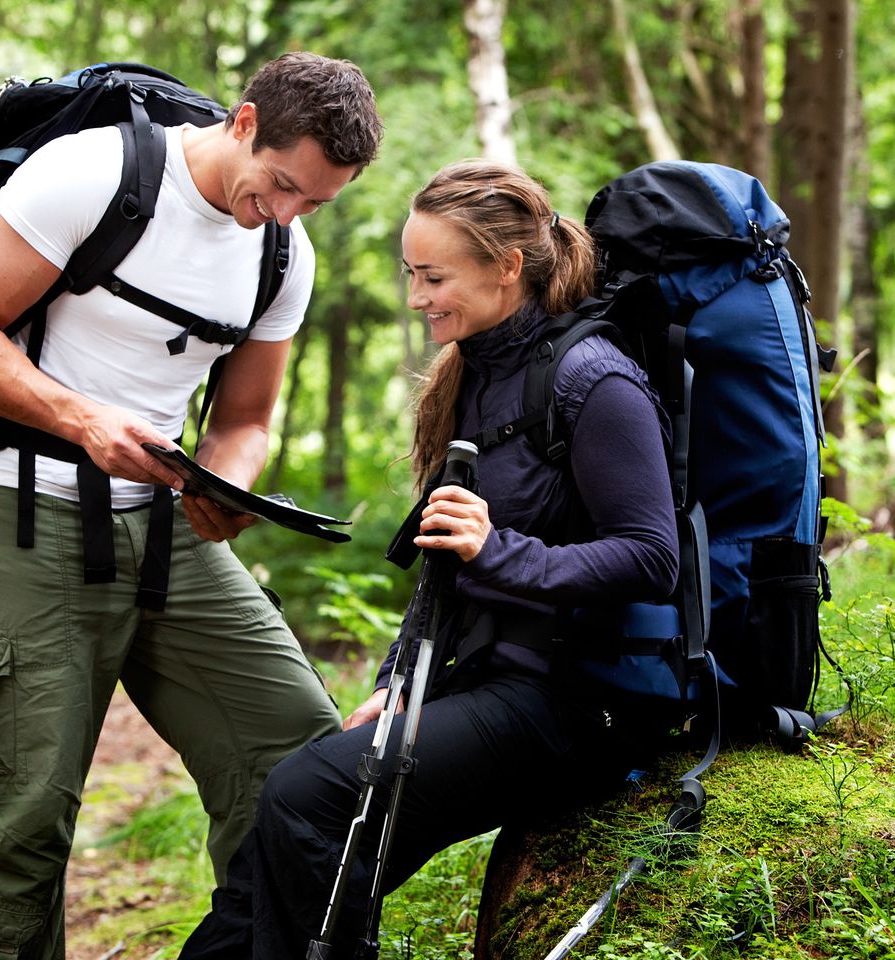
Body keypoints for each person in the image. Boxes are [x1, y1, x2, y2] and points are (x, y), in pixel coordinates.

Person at [0, 52, 383, 959]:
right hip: (16, 506)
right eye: (283, 185)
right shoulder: (92, 173)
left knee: (298, 757)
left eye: (316, 202)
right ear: (244, 123)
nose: (286, 212)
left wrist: (226, 482)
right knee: (22, 813)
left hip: (164, 526)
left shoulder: (284, 251)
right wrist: (83, 418)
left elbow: (246, 417)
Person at [177, 159, 680, 959]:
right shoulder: (476, 374)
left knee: (307, 796)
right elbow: (443, 574)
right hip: (486, 679)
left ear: (507, 267)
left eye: (434, 276)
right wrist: (394, 683)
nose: (417, 298)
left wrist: (501, 550)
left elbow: (653, 559)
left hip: (578, 704)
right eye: (411, 273)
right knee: (293, 850)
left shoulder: (594, 379)